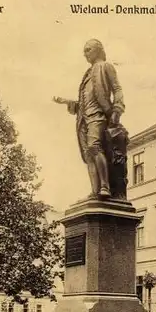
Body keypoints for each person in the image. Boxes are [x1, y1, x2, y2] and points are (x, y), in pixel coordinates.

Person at [53, 39, 126, 198]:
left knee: (94, 146)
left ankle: (105, 187)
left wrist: (117, 110)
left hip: (98, 115)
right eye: (84, 51)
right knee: (87, 153)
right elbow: (85, 102)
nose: (85, 54)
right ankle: (95, 190)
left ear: (98, 50)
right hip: (83, 118)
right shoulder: (87, 74)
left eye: (88, 50)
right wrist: (67, 102)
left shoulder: (105, 66)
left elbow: (117, 89)